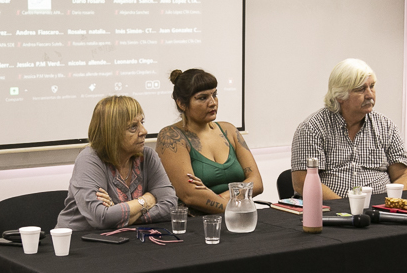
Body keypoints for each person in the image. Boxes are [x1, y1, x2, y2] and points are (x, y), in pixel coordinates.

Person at [290, 58, 407, 199]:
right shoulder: (312, 128)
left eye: (372, 86)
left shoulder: (386, 126)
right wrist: (349, 207)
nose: (370, 95)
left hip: (380, 209)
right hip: (331, 209)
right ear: (340, 96)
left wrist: (392, 203)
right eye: (360, 89)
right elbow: (302, 182)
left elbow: (404, 174)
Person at [56, 96, 177, 230]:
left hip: (123, 237)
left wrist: (118, 216)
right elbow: (101, 219)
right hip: (75, 238)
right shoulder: (89, 159)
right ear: (111, 133)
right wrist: (146, 201)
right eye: (133, 127)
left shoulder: (147, 156)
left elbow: (171, 206)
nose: (144, 131)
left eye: (142, 122)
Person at [156, 69, 263, 214]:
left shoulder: (229, 130)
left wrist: (219, 198)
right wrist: (235, 209)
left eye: (214, 95)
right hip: (199, 221)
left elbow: (257, 183)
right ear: (182, 104)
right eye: (202, 98)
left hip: (237, 215)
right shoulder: (171, 136)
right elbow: (190, 195)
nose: (213, 103)